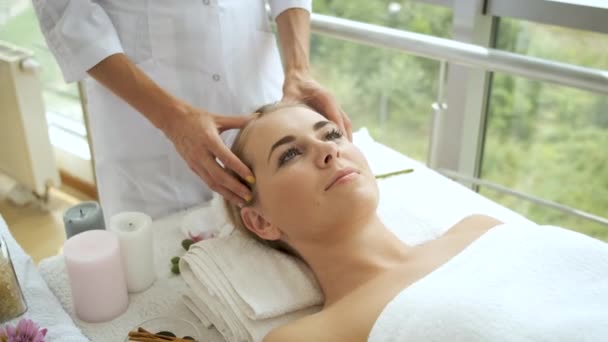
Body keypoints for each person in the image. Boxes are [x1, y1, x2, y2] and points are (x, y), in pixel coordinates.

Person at [224, 102, 608, 341]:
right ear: (260, 222)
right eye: (290, 155)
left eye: (332, 134)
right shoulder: (311, 336)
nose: (328, 150)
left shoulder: (479, 229)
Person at [32, 1, 351, 222]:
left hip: (255, 88)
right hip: (144, 121)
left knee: (279, 228)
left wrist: (298, 69)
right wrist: (171, 120)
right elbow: (65, 12)